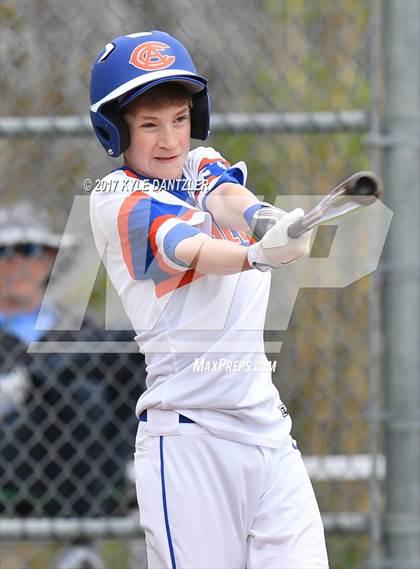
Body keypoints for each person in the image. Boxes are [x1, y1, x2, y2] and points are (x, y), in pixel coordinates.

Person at [89, 31, 329, 568]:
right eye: (149, 125)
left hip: (268, 433)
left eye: (178, 118)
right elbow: (186, 246)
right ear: (115, 130)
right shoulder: (114, 198)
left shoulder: (200, 165)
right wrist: (257, 256)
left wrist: (270, 222)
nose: (170, 139)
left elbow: (228, 198)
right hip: (190, 442)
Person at [0, 202, 146, 569]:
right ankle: (82, 546)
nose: (16, 263)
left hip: (93, 454)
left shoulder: (75, 326)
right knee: (84, 386)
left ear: (48, 259)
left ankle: (39, 375)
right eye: (4, 252)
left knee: (104, 373)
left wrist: (36, 376)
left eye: (29, 250)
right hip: (13, 453)